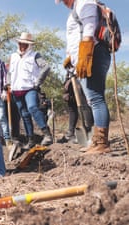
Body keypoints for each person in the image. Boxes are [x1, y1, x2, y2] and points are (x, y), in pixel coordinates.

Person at [56, 0, 111, 154]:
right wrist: (71, 57)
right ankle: (97, 142)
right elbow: (76, 35)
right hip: (91, 55)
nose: (63, 3)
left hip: (93, 54)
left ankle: (101, 143)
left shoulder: (84, 3)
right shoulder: (77, 7)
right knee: (94, 99)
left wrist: (85, 54)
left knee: (95, 99)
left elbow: (89, 25)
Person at [9, 32, 53, 149]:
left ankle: (47, 134)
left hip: (30, 88)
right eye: (21, 43)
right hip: (16, 90)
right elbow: (9, 72)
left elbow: (46, 67)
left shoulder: (35, 55)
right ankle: (30, 140)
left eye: (25, 44)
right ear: (18, 43)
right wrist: (8, 85)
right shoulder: (13, 56)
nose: (22, 46)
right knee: (24, 114)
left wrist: (38, 82)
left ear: (29, 45)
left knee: (32, 107)